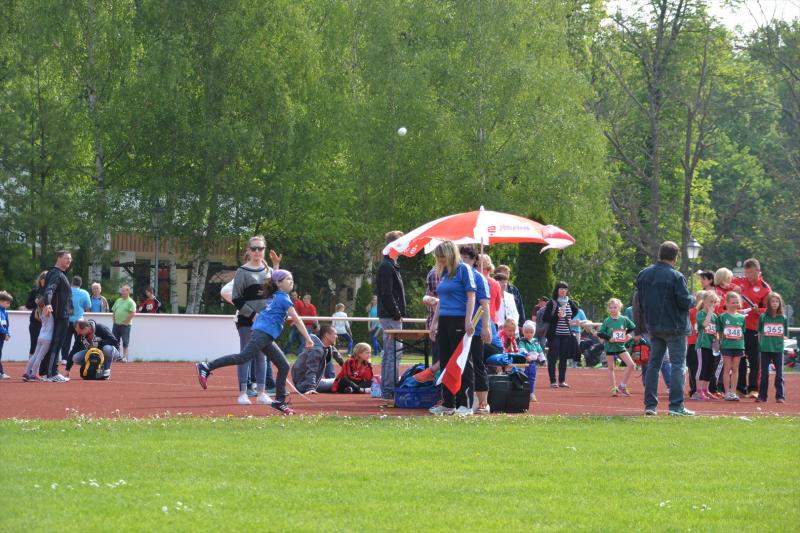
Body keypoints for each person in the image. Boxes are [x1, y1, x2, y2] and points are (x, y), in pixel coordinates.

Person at [197, 270, 311, 415]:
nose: (291, 282)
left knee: (283, 365)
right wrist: (308, 339)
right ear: (279, 283)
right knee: (243, 357)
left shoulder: (275, 295)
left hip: (264, 335)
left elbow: (274, 278)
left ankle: (279, 402)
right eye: (288, 279)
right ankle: (206, 366)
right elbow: (297, 319)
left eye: (292, 279)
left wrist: (276, 267)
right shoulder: (282, 298)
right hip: (262, 334)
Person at [636, 241, 695, 416]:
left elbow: (639, 300)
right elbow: (684, 302)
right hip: (675, 327)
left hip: (653, 326)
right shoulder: (676, 276)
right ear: (675, 257)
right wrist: (693, 299)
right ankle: (676, 406)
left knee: (654, 365)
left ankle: (650, 406)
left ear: (659, 254)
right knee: (678, 365)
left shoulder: (643, 274)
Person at [428, 240, 478, 416]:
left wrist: (468, 320)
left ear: (451, 254)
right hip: (444, 320)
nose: (440, 260)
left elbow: (471, 297)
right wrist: (434, 323)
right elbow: (441, 301)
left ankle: (466, 403)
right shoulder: (444, 272)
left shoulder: (464, 269)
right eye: (438, 257)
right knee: (446, 361)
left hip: (459, 320)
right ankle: (449, 403)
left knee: (461, 361)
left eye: (442, 256)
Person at [231, 235, 280, 399]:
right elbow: (236, 298)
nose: (257, 251)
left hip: (264, 322)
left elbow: (275, 293)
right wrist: (253, 315)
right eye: (254, 248)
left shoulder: (269, 271)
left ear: (264, 250)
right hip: (247, 321)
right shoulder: (242, 271)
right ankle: (243, 393)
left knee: (262, 356)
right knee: (245, 355)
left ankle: (261, 393)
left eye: (260, 248)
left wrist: (276, 266)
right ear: (248, 250)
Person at [457, 244, 492, 414]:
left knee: (477, 363)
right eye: (461, 258)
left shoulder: (479, 278)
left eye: (466, 258)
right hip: (458, 327)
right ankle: (460, 400)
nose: (463, 261)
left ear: (474, 261)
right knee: (461, 365)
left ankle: (483, 402)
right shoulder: (456, 275)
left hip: (475, 329)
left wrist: (486, 327)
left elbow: (485, 304)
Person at [375, 230, 406, 407]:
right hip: (390, 316)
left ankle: (387, 389)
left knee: (390, 353)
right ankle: (389, 390)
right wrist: (397, 313)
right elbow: (386, 294)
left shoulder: (391, 265)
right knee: (393, 354)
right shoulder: (387, 266)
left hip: (390, 315)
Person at [732, 258, 771, 398]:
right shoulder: (738, 281)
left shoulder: (765, 288)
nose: (748, 276)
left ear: (758, 271)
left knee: (754, 359)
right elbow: (723, 285)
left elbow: (770, 309)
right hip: (738, 326)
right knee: (739, 358)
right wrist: (733, 289)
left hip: (754, 327)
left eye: (751, 273)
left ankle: (754, 388)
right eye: (746, 272)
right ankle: (740, 388)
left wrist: (757, 310)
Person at [42, 250, 74, 382]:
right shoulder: (56, 273)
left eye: (70, 259)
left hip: (61, 314)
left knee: (54, 343)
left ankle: (45, 372)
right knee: (57, 343)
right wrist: (48, 303)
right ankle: (52, 373)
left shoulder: (56, 273)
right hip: (61, 314)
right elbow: (49, 289)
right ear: (59, 258)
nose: (69, 261)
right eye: (67, 258)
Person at [543, 281, 580, 388]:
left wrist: (569, 318)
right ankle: (553, 381)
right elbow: (545, 318)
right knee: (553, 357)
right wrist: (557, 317)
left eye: (565, 289)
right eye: (561, 289)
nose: (563, 291)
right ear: (557, 290)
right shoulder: (552, 302)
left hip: (566, 334)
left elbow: (575, 311)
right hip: (554, 334)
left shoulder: (569, 302)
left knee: (564, 357)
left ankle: (562, 381)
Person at [597, 298, 636, 397]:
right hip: (610, 347)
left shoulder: (624, 319)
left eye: (615, 307)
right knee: (611, 368)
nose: (613, 310)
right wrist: (609, 338)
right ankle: (614, 388)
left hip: (620, 346)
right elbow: (600, 333)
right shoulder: (607, 321)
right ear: (608, 309)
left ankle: (622, 386)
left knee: (631, 365)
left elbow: (633, 327)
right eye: (611, 308)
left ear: (619, 308)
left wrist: (625, 334)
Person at [291, 325, 344, 394]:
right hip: (305, 385)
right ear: (327, 335)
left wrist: (345, 365)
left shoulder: (323, 345)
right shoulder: (317, 350)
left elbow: (334, 352)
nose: (336, 336)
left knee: (342, 381)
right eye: (335, 334)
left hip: (306, 382)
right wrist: (311, 388)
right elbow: (311, 369)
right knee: (342, 381)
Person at [757, 292, 787, 403]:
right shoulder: (763, 317)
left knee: (779, 374)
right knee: (764, 374)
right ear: (768, 303)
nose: (774, 304)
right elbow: (759, 333)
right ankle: (762, 396)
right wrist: (760, 345)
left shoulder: (783, 318)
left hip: (778, 350)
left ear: (780, 303)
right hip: (765, 349)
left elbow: (785, 334)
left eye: (776, 301)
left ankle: (780, 396)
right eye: (772, 301)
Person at [717, 291, 746, 401]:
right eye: (733, 302)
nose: (735, 304)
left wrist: (743, 346)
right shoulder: (722, 317)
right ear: (727, 303)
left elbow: (742, 332)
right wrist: (720, 343)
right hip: (726, 346)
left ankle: (733, 392)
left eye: (737, 302)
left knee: (735, 369)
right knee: (727, 368)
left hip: (738, 346)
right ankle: (727, 392)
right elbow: (719, 331)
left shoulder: (742, 318)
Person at [694, 291, 720, 400]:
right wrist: (709, 313)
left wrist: (717, 341)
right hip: (702, 345)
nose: (712, 304)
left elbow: (716, 331)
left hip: (712, 346)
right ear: (704, 301)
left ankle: (705, 389)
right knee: (702, 367)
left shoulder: (715, 316)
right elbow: (704, 324)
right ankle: (698, 390)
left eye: (714, 302)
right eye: (710, 301)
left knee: (710, 368)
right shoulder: (700, 314)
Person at [23, 298, 53, 381]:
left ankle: (26, 373)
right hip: (47, 338)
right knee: (39, 357)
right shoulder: (49, 312)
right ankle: (33, 374)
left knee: (35, 355)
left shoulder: (39, 312)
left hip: (40, 337)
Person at [63, 276, 91, 364]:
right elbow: (88, 306)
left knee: (66, 340)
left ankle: (64, 358)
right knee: (80, 340)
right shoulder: (84, 293)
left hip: (67, 319)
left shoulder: (66, 291)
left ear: (71, 282)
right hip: (79, 321)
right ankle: (79, 358)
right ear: (80, 284)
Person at [494, 265, 525, 333]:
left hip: (512, 328)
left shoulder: (513, 290)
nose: (506, 275)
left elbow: (519, 308)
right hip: (498, 328)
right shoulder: (492, 294)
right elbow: (492, 312)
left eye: (508, 273)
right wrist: (500, 324)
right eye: (504, 273)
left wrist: (517, 323)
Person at [24, 272, 47, 362]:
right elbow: (28, 305)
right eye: (44, 279)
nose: (46, 281)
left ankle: (43, 365)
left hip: (48, 322)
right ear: (40, 280)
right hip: (36, 321)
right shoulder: (35, 291)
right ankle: (30, 365)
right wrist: (36, 302)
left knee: (47, 345)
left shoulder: (52, 291)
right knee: (34, 343)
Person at [518, 320, 544, 401]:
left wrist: (542, 359)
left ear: (534, 332)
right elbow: (521, 349)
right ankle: (523, 393)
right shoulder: (522, 341)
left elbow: (539, 350)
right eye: (526, 332)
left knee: (532, 378)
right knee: (523, 377)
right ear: (523, 332)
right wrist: (526, 355)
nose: (529, 334)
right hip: (524, 363)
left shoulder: (535, 341)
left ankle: (531, 393)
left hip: (533, 363)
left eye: (531, 332)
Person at [111, 285, 136, 362]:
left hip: (125, 326)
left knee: (125, 341)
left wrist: (127, 321)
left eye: (123, 291)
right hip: (116, 324)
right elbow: (114, 310)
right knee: (115, 341)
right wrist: (114, 320)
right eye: (121, 291)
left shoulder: (131, 302)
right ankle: (117, 356)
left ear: (128, 292)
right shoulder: (118, 300)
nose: (122, 292)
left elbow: (133, 313)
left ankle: (124, 357)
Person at [686, 290, 702, 398]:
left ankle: (698, 388)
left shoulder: (709, 313)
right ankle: (695, 388)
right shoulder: (691, 312)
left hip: (699, 342)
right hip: (693, 342)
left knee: (697, 366)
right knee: (694, 366)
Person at [0, 291, 12, 379]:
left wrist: (8, 333)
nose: (9, 305)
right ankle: (1, 372)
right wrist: (4, 332)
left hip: (2, 335)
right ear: (1, 301)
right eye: (7, 303)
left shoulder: (5, 312)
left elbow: (7, 324)